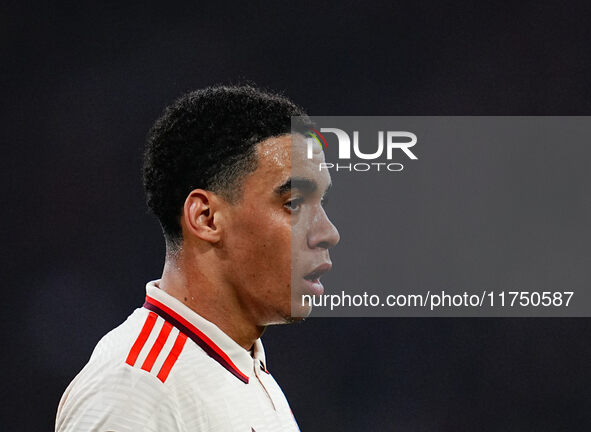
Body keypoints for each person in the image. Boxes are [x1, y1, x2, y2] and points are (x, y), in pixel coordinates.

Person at [55, 85, 340, 431]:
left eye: (321, 203)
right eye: (294, 204)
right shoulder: (135, 391)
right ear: (206, 218)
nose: (328, 232)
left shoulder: (247, 370)